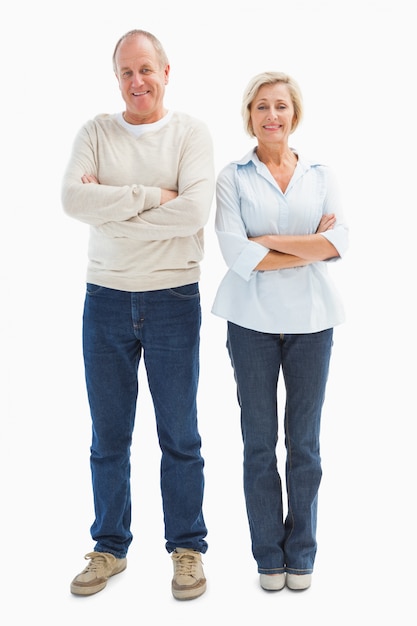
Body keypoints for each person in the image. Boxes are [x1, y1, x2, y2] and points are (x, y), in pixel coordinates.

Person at [61, 29, 214, 600]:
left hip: (174, 298)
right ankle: (109, 548)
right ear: (117, 78)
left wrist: (114, 205)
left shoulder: (190, 134)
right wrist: (155, 196)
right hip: (104, 298)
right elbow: (73, 200)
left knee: (180, 434)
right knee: (108, 435)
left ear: (166, 71)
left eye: (146, 69)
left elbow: (195, 209)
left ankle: (187, 548)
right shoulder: (95, 132)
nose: (136, 82)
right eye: (126, 72)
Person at [212, 72, 348, 592]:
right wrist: (304, 243)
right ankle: (269, 557)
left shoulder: (319, 173)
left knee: (306, 444)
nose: (272, 116)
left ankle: (302, 553)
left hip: (313, 322)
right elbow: (234, 254)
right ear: (249, 115)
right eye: (262, 107)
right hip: (252, 324)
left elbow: (341, 241)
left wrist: (266, 241)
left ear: (295, 115)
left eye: (282, 107)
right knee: (258, 443)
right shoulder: (233, 177)